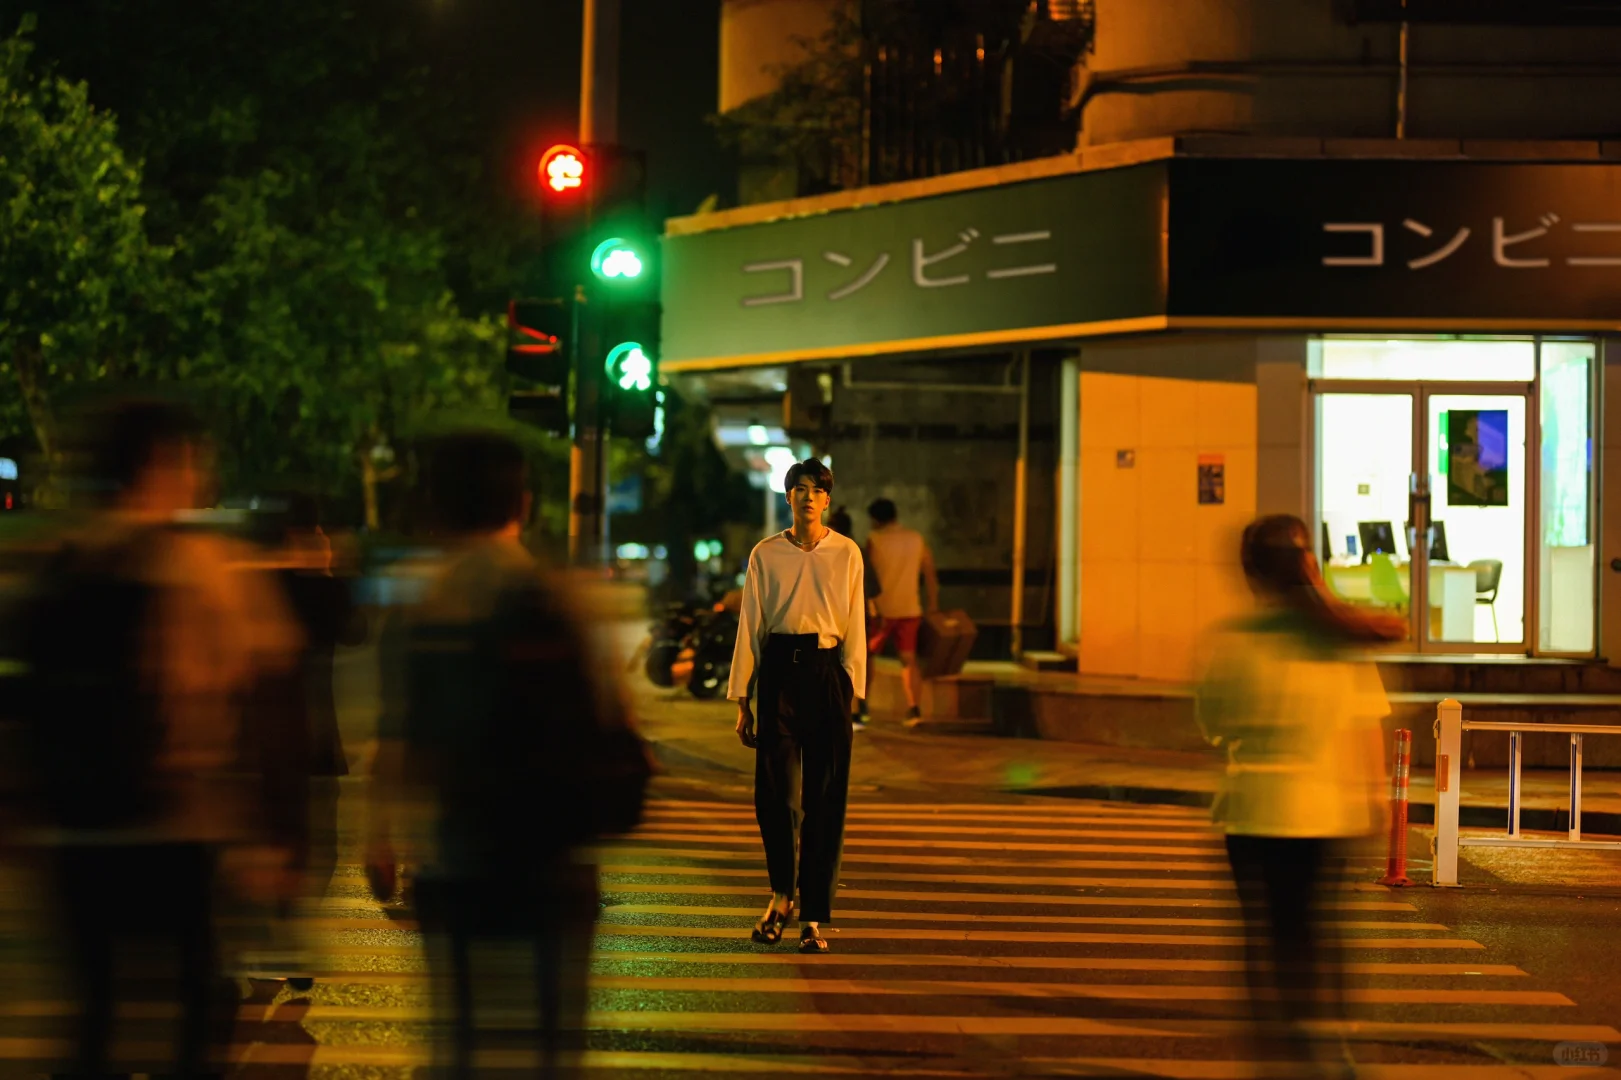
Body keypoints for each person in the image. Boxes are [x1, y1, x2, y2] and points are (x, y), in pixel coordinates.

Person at [15, 398, 298, 1080]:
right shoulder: (200, 566)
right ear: (161, 466)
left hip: (75, 833)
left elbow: (21, 699)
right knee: (197, 1007)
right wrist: (271, 834)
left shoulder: (59, 564)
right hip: (176, 829)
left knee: (95, 1011)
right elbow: (265, 694)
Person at [366, 430, 648, 1079]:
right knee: (551, 1047)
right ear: (521, 504)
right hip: (553, 861)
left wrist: (378, 836)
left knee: (461, 1042)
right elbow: (616, 721)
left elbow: (399, 738)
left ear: (436, 505)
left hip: (456, 857)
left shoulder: (419, 601)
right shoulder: (560, 595)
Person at [1194, 514, 1402, 1075]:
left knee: (1263, 936)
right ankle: (1328, 1041)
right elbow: (1367, 727)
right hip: (1324, 809)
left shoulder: (1231, 643)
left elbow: (1212, 725)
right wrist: (1376, 801)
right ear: (1308, 566)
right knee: (1316, 928)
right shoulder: (1337, 640)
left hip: (1249, 809)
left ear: (1251, 575)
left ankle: (1274, 1048)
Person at [730, 459, 866, 954]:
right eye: (800, 489)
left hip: (828, 673)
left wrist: (852, 688)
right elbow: (751, 623)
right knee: (775, 796)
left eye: (817, 490)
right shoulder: (765, 554)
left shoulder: (846, 553)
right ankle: (780, 896)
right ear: (787, 497)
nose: (808, 497)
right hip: (780, 675)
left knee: (826, 799)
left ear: (828, 500)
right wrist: (742, 697)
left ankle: (812, 916)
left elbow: (856, 623)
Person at [863, 498, 938, 724]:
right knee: (909, 659)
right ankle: (914, 709)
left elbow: (868, 577)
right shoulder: (916, 539)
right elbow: (931, 575)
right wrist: (933, 605)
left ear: (876, 519)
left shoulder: (874, 540)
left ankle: (863, 706)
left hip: (882, 611)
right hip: (910, 609)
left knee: (867, 657)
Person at [827, 506, 881, 731]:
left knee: (840, 662)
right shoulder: (859, 552)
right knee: (857, 661)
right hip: (858, 615)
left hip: (837, 616)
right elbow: (875, 587)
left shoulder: (829, 552)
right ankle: (859, 708)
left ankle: (848, 710)